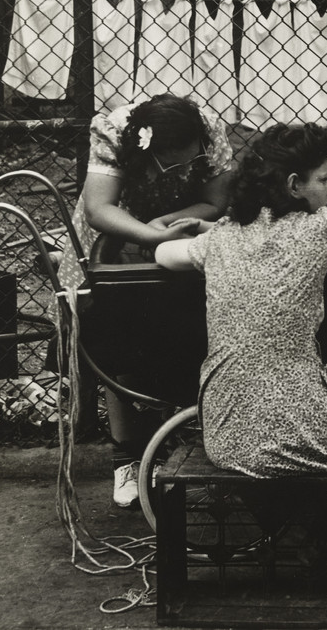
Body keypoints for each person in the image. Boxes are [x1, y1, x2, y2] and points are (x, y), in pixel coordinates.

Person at [155, 124, 327, 601]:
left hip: (225, 433)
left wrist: (207, 237)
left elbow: (163, 252)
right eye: (325, 178)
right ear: (294, 186)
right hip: (293, 428)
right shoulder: (320, 230)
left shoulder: (221, 240)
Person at [60, 93, 234, 509]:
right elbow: (99, 208)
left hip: (182, 229)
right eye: (175, 165)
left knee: (187, 329)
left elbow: (215, 201)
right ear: (150, 152)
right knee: (115, 332)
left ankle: (186, 439)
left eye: (191, 163)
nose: (186, 169)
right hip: (118, 229)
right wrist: (149, 234)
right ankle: (126, 455)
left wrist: (170, 224)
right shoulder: (115, 132)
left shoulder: (208, 131)